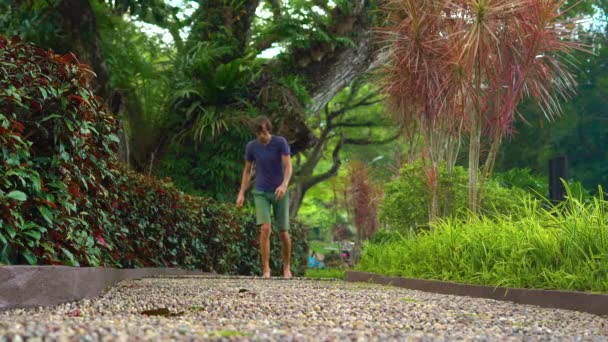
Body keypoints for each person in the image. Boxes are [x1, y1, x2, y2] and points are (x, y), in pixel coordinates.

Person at [236, 116, 293, 278]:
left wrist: (284, 185)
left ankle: (286, 267)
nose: (262, 135)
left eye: (264, 132)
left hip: (279, 191)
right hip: (260, 191)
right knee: (265, 228)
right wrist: (241, 193)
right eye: (259, 132)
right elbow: (247, 171)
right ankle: (266, 269)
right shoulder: (252, 147)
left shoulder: (280, 142)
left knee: (283, 232)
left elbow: (288, 166)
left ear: (269, 129)